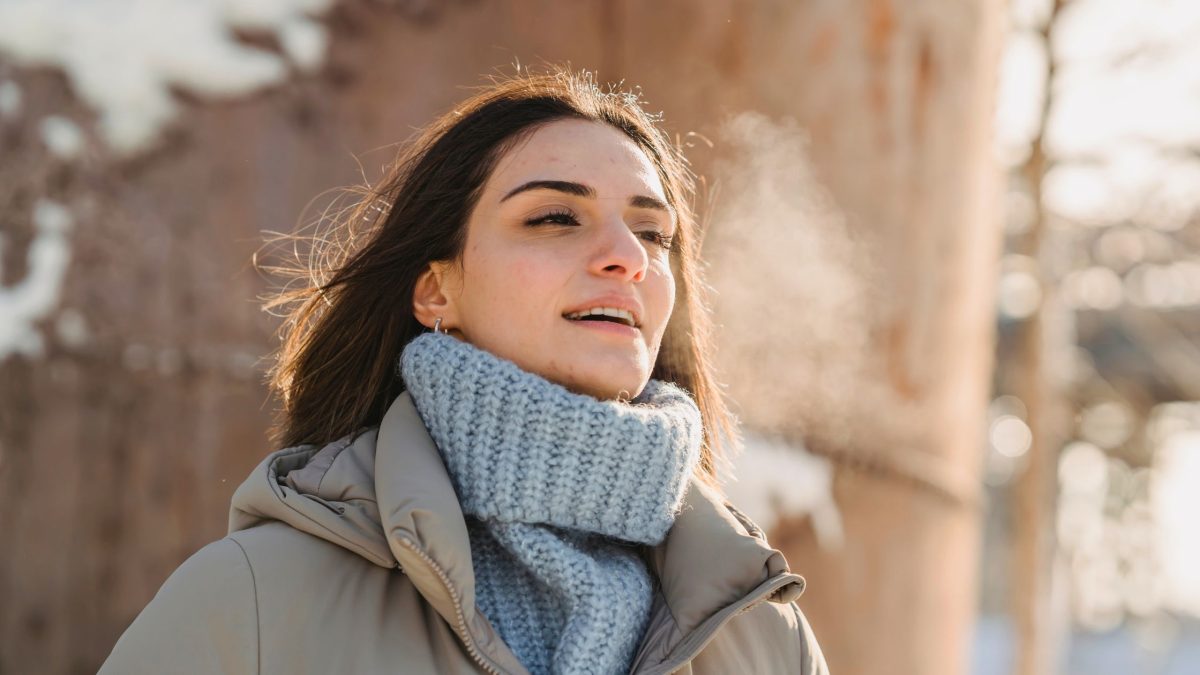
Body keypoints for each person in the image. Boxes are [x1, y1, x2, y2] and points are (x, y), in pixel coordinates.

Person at [99, 66, 829, 675]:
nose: (628, 257)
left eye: (652, 232)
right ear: (436, 290)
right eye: (554, 218)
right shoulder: (256, 603)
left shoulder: (767, 640)